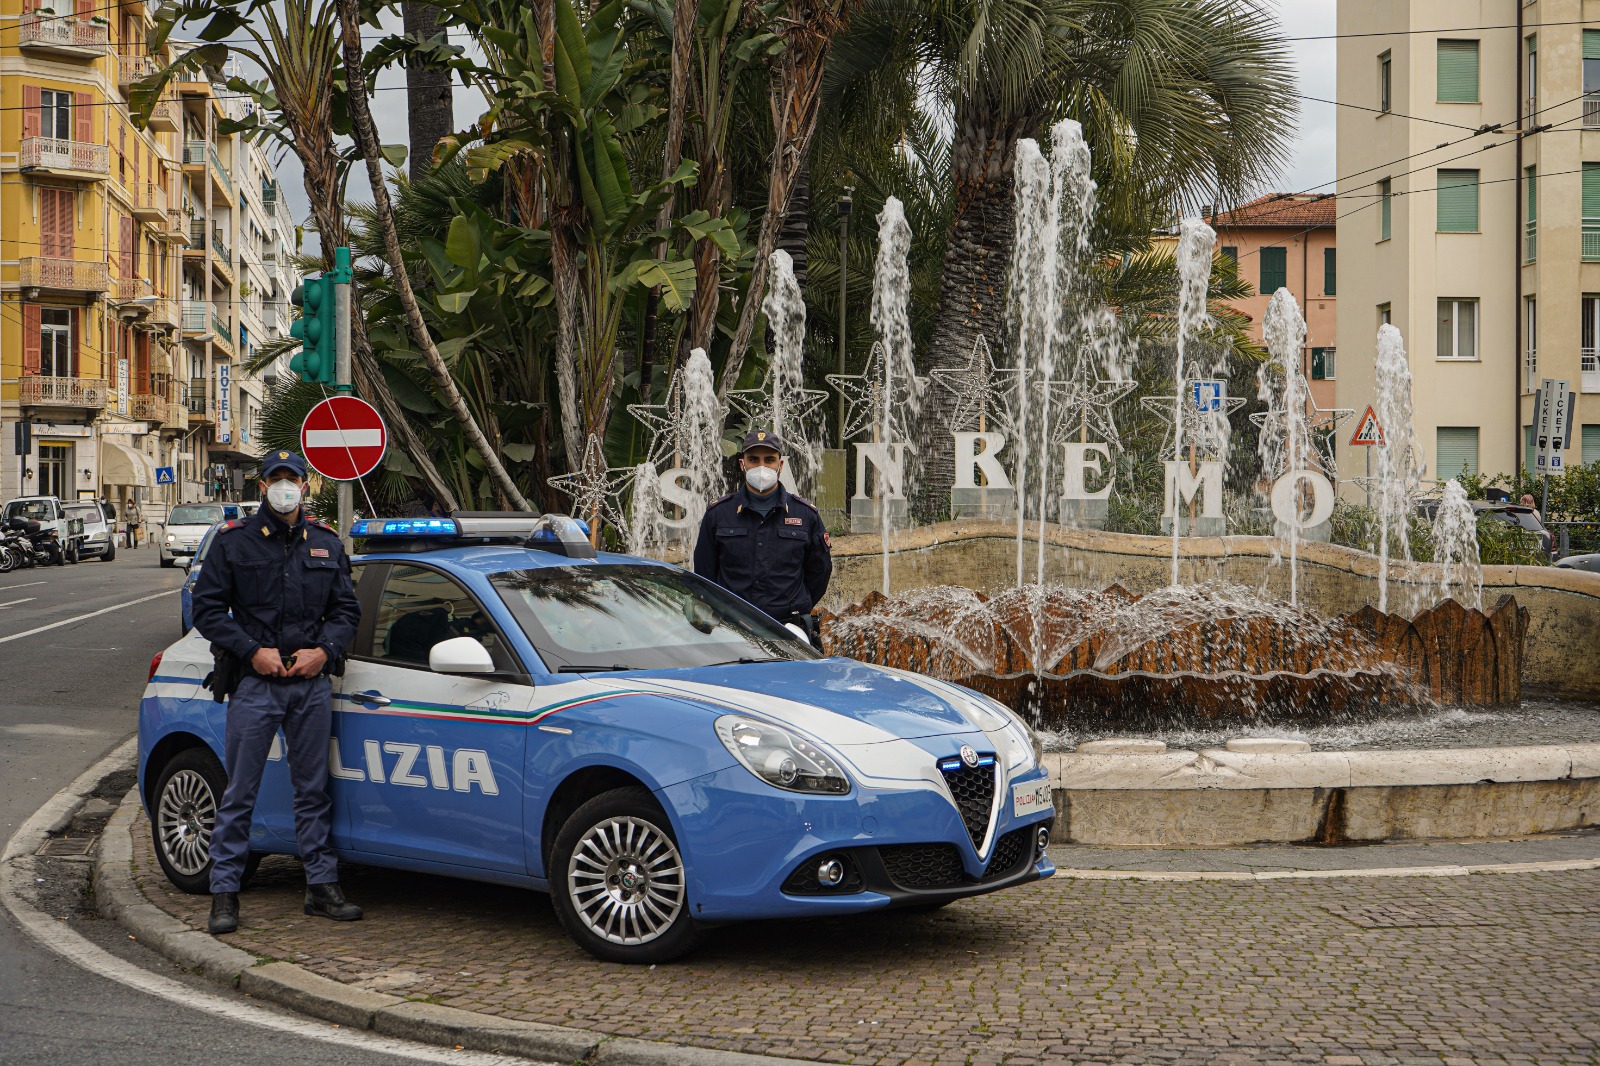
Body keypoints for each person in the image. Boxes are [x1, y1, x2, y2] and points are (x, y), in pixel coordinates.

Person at [189, 450, 363, 935]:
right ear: (262, 487)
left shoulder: (326, 543)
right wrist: (251, 651)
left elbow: (347, 610)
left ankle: (321, 887)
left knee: (312, 791)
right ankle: (224, 893)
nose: (285, 486)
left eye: (293, 478)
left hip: (308, 686)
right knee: (239, 791)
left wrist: (323, 652)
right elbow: (206, 610)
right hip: (256, 685)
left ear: (305, 486)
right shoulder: (235, 542)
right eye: (276, 479)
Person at [693, 430, 832, 639]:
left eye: (769, 460)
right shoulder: (719, 515)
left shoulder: (805, 515)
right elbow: (705, 574)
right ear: (742, 464)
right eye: (753, 459)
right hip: (732, 630)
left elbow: (819, 573)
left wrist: (792, 604)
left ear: (780, 465)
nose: (761, 466)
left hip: (789, 631)